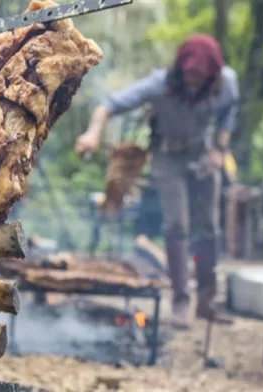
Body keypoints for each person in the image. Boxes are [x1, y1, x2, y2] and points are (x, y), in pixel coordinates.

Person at [75, 34, 240, 329]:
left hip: (203, 157)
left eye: (199, 77)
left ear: (211, 76)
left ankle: (206, 301)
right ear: (180, 69)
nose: (193, 82)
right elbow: (108, 105)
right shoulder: (159, 84)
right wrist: (92, 134)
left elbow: (229, 112)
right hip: (167, 158)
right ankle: (180, 301)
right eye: (189, 74)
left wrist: (219, 148)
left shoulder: (226, 82)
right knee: (177, 226)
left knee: (208, 230)